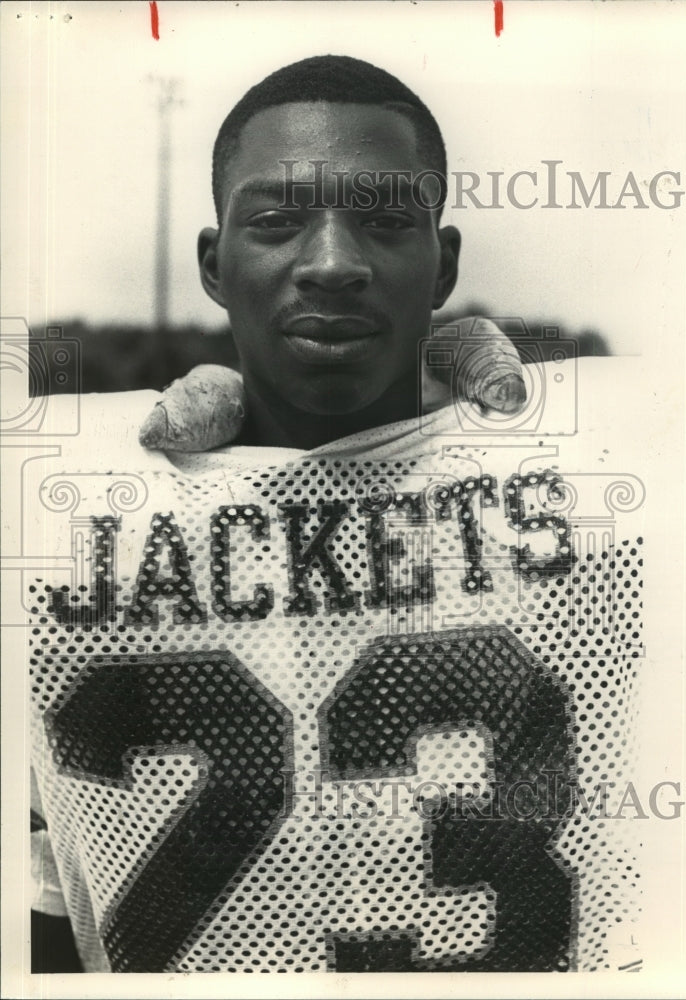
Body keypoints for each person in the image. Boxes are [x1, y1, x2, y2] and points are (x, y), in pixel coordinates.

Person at [29, 54, 644, 974]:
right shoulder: (54, 520)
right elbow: (42, 909)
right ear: (213, 263)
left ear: (445, 265)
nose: (331, 264)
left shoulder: (630, 480)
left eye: (389, 222)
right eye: (276, 222)